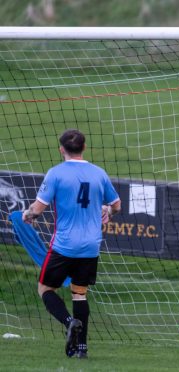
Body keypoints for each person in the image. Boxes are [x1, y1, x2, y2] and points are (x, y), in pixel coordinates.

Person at [22, 129, 121, 358]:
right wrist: (106, 209)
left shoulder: (56, 174)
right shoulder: (99, 173)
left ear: (61, 149)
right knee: (80, 293)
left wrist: (27, 215)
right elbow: (116, 205)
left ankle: (69, 322)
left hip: (64, 245)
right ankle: (82, 348)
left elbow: (38, 209)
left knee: (45, 289)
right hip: (90, 246)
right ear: (84, 148)